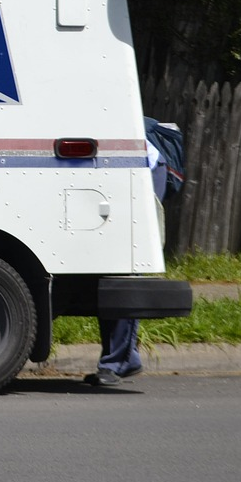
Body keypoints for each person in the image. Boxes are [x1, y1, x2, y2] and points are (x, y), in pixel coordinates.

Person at [85, 119, 184, 386]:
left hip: (143, 168)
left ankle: (122, 359)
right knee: (108, 262)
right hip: (121, 165)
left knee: (125, 260)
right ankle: (119, 357)